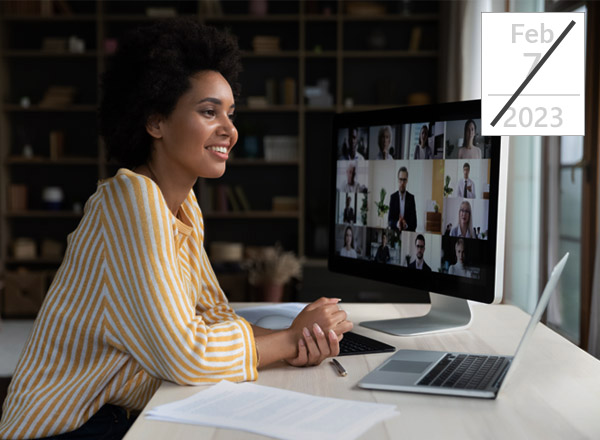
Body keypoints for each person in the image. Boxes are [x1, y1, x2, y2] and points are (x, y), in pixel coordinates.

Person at [0, 19, 353, 440]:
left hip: (119, 412)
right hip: (68, 428)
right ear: (155, 123)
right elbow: (187, 357)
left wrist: (301, 337)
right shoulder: (132, 202)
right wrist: (290, 341)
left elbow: (214, 317)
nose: (230, 130)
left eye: (230, 113)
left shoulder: (182, 206)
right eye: (209, 111)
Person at [388, 167, 417, 232]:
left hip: (407, 232)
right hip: (395, 233)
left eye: (404, 180)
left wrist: (406, 225)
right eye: (400, 179)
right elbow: (390, 221)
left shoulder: (411, 198)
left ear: (407, 181)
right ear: (398, 180)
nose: (402, 182)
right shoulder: (393, 197)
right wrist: (397, 223)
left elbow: (414, 223)